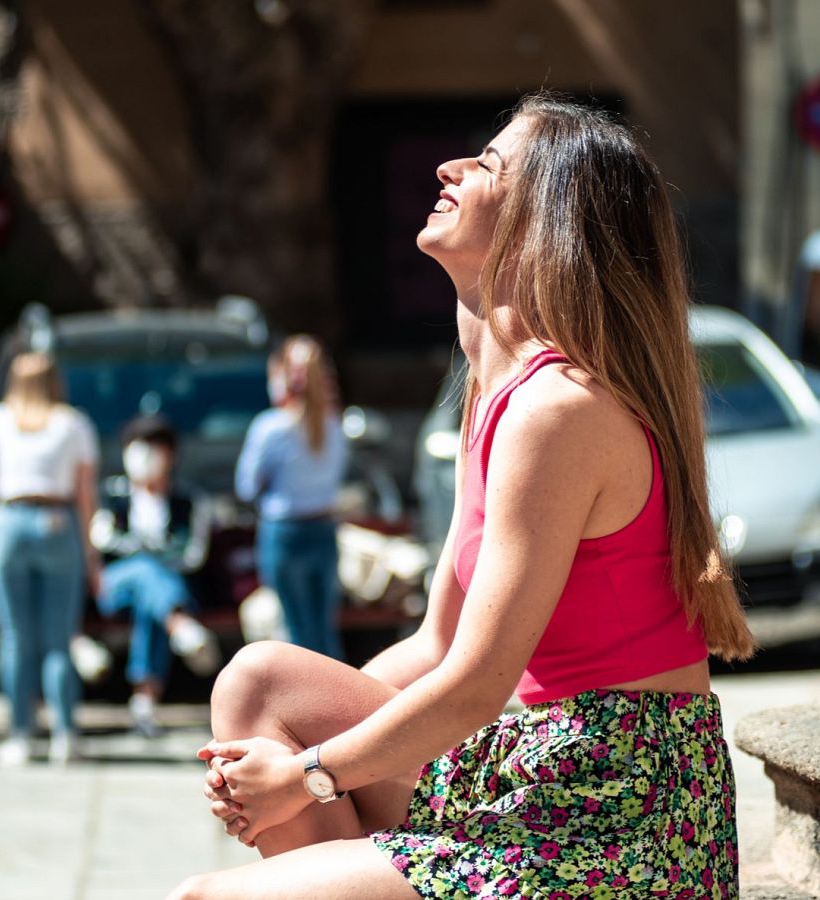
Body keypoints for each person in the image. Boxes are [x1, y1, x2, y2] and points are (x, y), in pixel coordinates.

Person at [169, 94, 754, 899]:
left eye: (488, 164)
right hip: (535, 770)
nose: (450, 167)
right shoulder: (500, 398)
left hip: (621, 815)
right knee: (259, 683)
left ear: (545, 222)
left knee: (204, 898)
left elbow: (477, 682)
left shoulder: (561, 410)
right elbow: (437, 646)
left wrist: (306, 777)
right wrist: (296, 766)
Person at [0, 352, 100, 767]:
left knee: (15, 637)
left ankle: (20, 733)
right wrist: (90, 550)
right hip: (56, 519)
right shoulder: (73, 424)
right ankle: (65, 734)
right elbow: (85, 493)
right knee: (58, 638)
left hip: (10, 520)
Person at [88, 415, 220, 738]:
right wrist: (152, 551)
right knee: (149, 574)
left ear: (170, 455)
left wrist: (145, 551)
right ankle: (182, 627)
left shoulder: (189, 501)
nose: (145, 456)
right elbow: (102, 539)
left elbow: (192, 554)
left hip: (162, 590)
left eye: (155, 448)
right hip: (116, 588)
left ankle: (144, 705)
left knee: (152, 601)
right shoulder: (112, 495)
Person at [234, 335, 349, 660]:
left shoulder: (271, 427)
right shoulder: (333, 424)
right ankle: (338, 707)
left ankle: (309, 710)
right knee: (324, 630)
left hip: (285, 532)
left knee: (296, 630)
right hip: (324, 527)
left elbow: (246, 486)